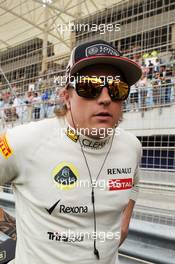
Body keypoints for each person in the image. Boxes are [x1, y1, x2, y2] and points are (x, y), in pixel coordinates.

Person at [0, 40, 142, 264]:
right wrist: (15, 230)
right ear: (67, 97)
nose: (105, 98)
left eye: (117, 89)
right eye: (89, 87)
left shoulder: (131, 146)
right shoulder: (24, 141)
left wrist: (124, 223)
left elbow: (133, 184)